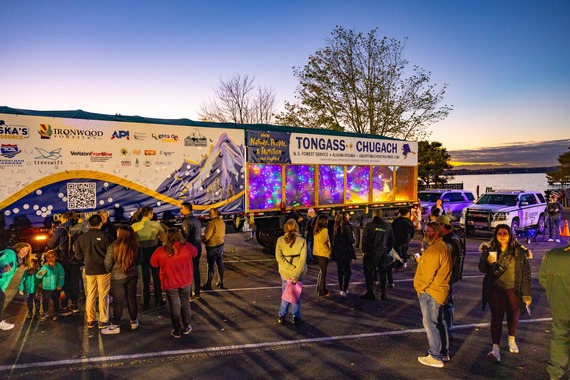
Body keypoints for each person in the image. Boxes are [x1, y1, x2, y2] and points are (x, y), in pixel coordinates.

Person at [479, 224, 532, 363]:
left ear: (510, 235)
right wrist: (487, 261)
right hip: (495, 290)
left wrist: (526, 294)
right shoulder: (490, 249)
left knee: (513, 315)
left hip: (513, 289)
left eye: (505, 233)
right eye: (499, 234)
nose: (502, 236)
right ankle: (495, 348)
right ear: (495, 235)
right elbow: (482, 268)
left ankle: (511, 340)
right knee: (496, 317)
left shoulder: (519, 252)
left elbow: (526, 273)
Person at [414, 221, 451, 368]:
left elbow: (429, 273)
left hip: (431, 291)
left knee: (430, 323)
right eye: (425, 231)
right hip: (437, 290)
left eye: (429, 231)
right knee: (438, 322)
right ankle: (442, 352)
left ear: (437, 233)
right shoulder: (440, 247)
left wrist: (420, 287)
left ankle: (435, 356)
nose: (426, 233)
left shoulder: (436, 249)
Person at [151, 228, 198, 338]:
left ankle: (177, 330)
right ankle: (186, 326)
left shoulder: (161, 250)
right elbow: (195, 253)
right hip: (185, 281)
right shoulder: (187, 247)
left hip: (170, 282)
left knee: (174, 306)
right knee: (185, 303)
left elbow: (153, 263)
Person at [74, 214, 115, 329]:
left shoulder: (81, 238)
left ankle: (90, 320)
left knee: (90, 294)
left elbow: (77, 255)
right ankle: (103, 319)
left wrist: (86, 259)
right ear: (101, 223)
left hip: (89, 269)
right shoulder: (106, 237)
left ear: (89, 223)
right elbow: (112, 253)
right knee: (103, 294)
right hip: (104, 269)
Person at [436, 215, 465, 359]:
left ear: (443, 226)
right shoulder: (455, 239)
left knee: (444, 308)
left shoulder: (448, 242)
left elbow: (444, 262)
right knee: (448, 306)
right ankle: (449, 332)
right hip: (451, 277)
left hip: (446, 279)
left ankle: (446, 337)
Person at [539, 242, 570, 379]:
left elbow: (543, 279)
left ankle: (555, 374)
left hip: (559, 306)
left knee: (559, 339)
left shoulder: (552, 255)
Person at [102, 225, 140, 335]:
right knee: (131, 298)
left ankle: (115, 325)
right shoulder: (136, 245)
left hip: (117, 277)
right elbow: (140, 260)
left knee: (118, 301)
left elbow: (107, 262)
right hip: (132, 275)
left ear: (121, 233)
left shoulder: (114, 245)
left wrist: (109, 270)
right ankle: (134, 321)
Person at [132, 206, 167, 309]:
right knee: (157, 277)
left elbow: (132, 241)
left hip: (141, 252)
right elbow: (164, 238)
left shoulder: (135, 226)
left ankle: (145, 302)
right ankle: (158, 300)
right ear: (150, 214)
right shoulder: (156, 225)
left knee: (144, 278)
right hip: (154, 251)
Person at [47, 211, 81, 315]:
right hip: (76, 260)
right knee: (75, 283)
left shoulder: (61, 230)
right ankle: (75, 305)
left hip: (63, 261)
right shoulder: (80, 228)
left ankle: (65, 306)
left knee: (63, 283)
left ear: (65, 219)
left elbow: (51, 244)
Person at [275, 219, 307, 324]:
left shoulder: (280, 240)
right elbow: (302, 260)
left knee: (285, 294)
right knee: (296, 295)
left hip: (285, 272)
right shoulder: (302, 241)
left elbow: (279, 258)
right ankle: (295, 316)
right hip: (298, 271)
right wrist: (296, 274)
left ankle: (282, 315)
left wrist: (289, 267)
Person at [361, 209, 394, 301]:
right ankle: (383, 293)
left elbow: (364, 239)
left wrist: (364, 251)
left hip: (371, 253)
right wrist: (387, 250)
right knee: (383, 273)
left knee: (369, 273)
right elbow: (391, 240)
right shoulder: (387, 226)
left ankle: (370, 292)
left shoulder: (369, 226)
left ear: (373, 215)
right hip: (383, 253)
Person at [0, 242, 32, 330]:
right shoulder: (10, 253)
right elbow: (3, 259)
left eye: (26, 251)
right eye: (23, 250)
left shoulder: (17, 261)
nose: (24, 253)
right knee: (1, 297)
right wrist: (5, 265)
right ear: (18, 248)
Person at [180, 202, 202, 300]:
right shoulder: (197, 220)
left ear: (186, 209)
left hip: (190, 249)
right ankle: (197, 292)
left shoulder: (186, 221)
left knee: (188, 272)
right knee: (196, 270)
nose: (180, 210)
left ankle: (189, 295)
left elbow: (186, 238)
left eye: (181, 208)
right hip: (198, 247)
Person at [36, 249, 65, 321]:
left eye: (52, 257)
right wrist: (40, 275)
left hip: (55, 287)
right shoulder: (45, 267)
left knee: (56, 300)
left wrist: (60, 285)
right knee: (45, 301)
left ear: (56, 258)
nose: (50, 259)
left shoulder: (59, 266)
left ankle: (56, 312)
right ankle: (45, 312)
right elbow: (38, 275)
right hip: (46, 287)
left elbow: (61, 276)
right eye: (48, 257)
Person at [201, 207, 226, 290]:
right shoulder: (222, 222)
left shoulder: (212, 223)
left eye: (210, 213)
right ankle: (221, 281)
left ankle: (208, 284)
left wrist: (203, 240)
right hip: (220, 244)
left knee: (210, 265)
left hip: (212, 246)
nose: (209, 215)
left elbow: (207, 236)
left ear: (215, 213)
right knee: (219, 263)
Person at [332, 211, 355, 297]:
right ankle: (345, 289)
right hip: (346, 251)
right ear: (345, 217)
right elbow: (350, 240)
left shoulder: (336, 226)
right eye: (348, 215)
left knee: (340, 271)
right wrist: (353, 240)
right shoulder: (347, 226)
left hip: (338, 252)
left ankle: (341, 289)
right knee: (347, 271)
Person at [391, 207, 415, 274]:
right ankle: (404, 263)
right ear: (407, 214)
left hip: (396, 239)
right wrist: (409, 238)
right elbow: (412, 231)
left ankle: (398, 264)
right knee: (404, 251)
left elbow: (392, 230)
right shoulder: (409, 222)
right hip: (405, 239)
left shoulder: (396, 221)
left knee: (397, 252)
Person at [313, 215, 331, 297]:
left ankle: (319, 288)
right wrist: (329, 250)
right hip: (322, 252)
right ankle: (322, 291)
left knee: (321, 271)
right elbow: (325, 241)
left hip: (317, 252)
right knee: (323, 272)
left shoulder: (316, 230)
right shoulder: (324, 230)